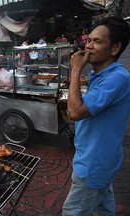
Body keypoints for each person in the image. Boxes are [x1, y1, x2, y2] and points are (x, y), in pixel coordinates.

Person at [62, 16, 130, 215]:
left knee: (73, 211)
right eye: (89, 40)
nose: (89, 46)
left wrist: (75, 70)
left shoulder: (117, 78)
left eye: (98, 41)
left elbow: (75, 112)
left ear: (115, 48)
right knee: (104, 207)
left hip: (93, 163)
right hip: (101, 159)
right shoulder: (100, 74)